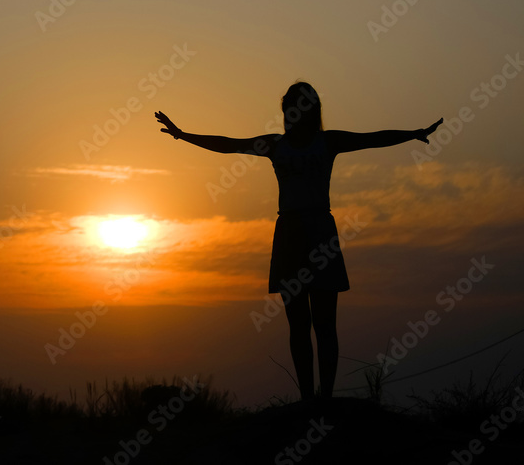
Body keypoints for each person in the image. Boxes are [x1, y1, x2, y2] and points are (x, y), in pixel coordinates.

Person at [155, 81, 441, 401]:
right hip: (291, 232)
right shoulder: (277, 145)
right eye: (291, 106)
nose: (294, 112)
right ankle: (308, 399)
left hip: (319, 230)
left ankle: (325, 399)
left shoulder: (326, 142)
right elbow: (230, 144)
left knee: (324, 323)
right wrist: (183, 134)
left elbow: (372, 139)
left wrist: (413, 133)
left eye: (301, 105)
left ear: (311, 109)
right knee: (299, 324)